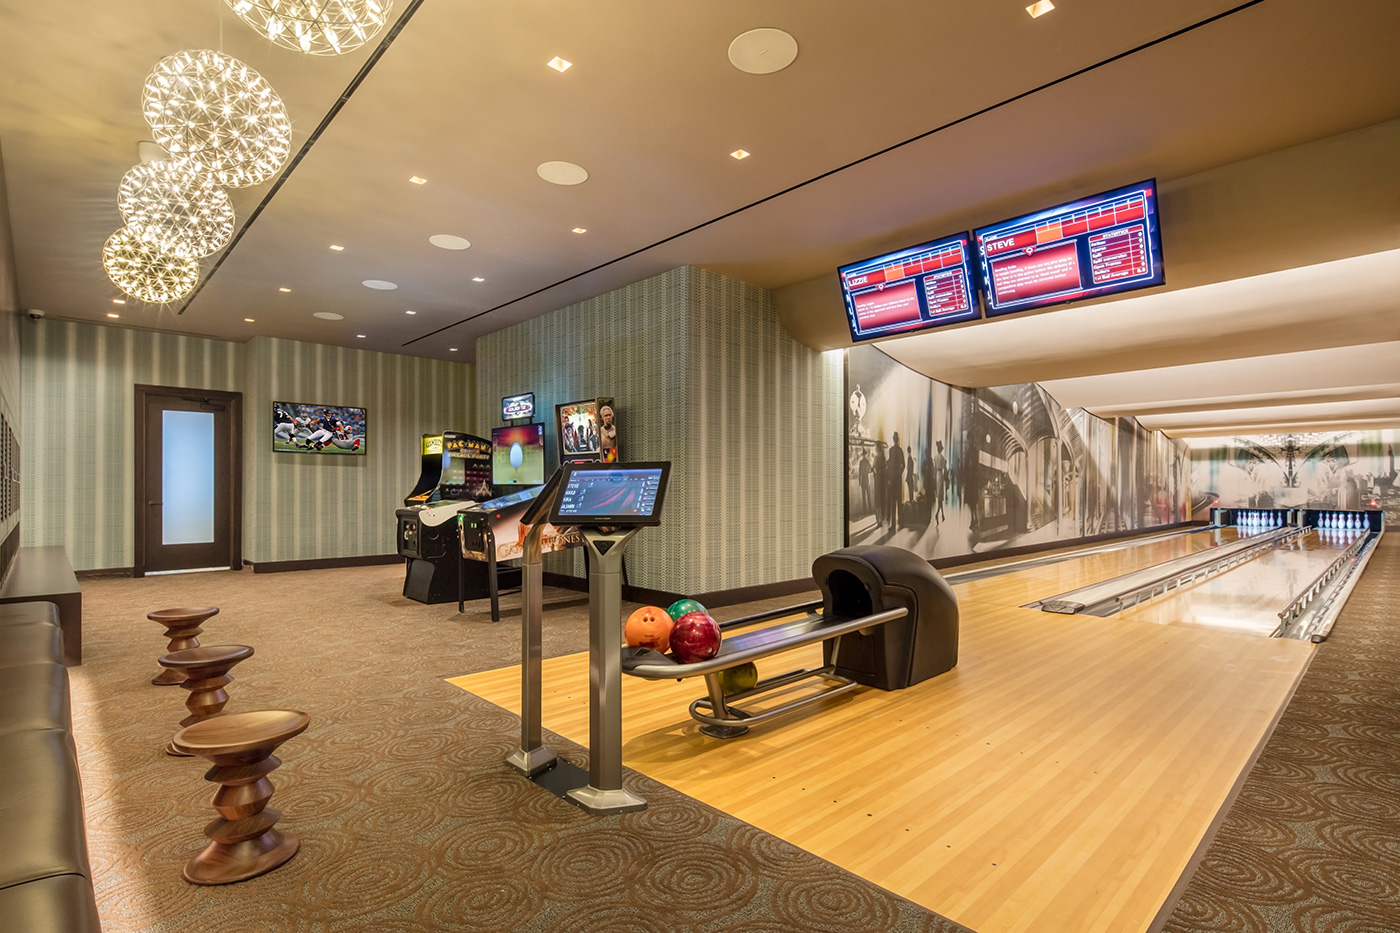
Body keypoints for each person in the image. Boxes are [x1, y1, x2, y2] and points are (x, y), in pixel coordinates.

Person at [887, 432, 904, 530]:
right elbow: (903, 465)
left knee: (893, 501)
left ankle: (893, 525)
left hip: (892, 479)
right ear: (898, 439)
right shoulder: (900, 451)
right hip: (898, 479)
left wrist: (890, 477)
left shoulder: (891, 450)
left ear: (893, 439)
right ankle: (900, 522)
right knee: (899, 500)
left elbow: (889, 465)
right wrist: (899, 473)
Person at [931, 440, 948, 525]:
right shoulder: (943, 458)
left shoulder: (935, 457)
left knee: (939, 497)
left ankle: (942, 515)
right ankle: (938, 514)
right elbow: (945, 468)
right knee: (940, 496)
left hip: (937, 475)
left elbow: (934, 468)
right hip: (941, 474)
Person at [872, 444, 886, 527]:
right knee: (878, 500)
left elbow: (880, 469)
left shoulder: (880, 458)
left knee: (879, 501)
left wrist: (876, 470)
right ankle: (879, 519)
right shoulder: (878, 458)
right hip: (878, 481)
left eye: (876, 448)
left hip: (879, 481)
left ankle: (879, 520)